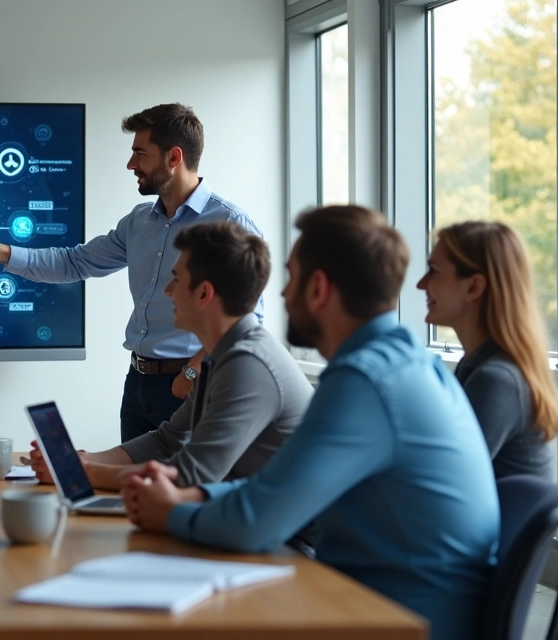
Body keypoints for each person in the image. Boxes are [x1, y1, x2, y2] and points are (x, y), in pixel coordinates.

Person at [121, 205, 498, 640]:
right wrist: (194, 496)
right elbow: (275, 486)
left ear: (318, 288)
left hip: (400, 619)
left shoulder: (365, 380)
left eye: (291, 277)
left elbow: (255, 523)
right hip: (387, 601)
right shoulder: (401, 362)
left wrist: (172, 512)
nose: (282, 294)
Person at [0, 103, 263, 443]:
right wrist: (1, 252)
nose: (131, 164)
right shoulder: (138, 221)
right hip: (138, 383)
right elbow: (74, 262)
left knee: (184, 478)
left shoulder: (229, 224)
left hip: (189, 383)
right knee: (130, 476)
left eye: (140, 153)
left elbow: (249, 319)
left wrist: (193, 370)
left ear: (173, 157)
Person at [27, 222, 312, 491]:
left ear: (203, 293)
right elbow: (166, 441)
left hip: (283, 529)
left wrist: (78, 473)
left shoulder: (248, 365)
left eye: (175, 279)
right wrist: (82, 460)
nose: (167, 291)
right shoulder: (220, 356)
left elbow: (191, 475)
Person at [418, 221, 558, 480]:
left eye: (434, 271)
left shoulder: (496, 379)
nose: (421, 284)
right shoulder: (477, 364)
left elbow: (440, 479)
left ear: (474, 287)